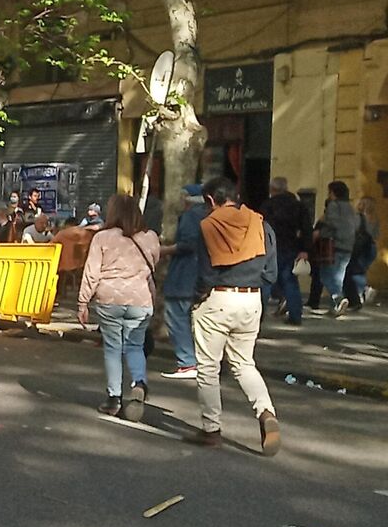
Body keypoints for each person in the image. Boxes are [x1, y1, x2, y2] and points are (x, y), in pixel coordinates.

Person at [190, 177, 280, 454]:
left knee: (208, 368)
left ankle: (211, 430)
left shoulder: (208, 226)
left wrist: (196, 301)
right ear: (236, 196)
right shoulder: (261, 224)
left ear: (210, 200)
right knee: (244, 363)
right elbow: (271, 274)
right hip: (251, 300)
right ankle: (266, 413)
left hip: (218, 298)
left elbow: (205, 275)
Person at [76, 194, 160, 418]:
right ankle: (139, 382)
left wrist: (82, 303)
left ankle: (114, 398)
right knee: (135, 345)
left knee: (113, 348)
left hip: (109, 299)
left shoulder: (102, 238)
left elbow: (91, 273)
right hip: (141, 299)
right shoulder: (150, 237)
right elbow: (154, 265)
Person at [159, 185, 206, 381]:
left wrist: (165, 250)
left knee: (176, 315)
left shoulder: (190, 216)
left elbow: (188, 243)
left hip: (184, 275)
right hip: (204, 274)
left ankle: (187, 362)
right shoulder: (209, 215)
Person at [261, 177, 307, 324]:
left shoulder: (267, 205)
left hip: (269, 247)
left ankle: (258, 316)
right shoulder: (298, 206)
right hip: (291, 247)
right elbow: (306, 229)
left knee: (265, 281)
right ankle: (295, 316)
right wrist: (304, 249)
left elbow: (261, 227)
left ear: (272, 189)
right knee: (290, 282)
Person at [313, 181, 359, 317]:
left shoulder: (334, 205)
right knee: (338, 276)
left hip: (334, 245)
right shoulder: (350, 207)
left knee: (325, 275)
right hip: (348, 246)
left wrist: (320, 232)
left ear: (333, 192)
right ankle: (336, 307)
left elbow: (332, 224)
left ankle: (338, 298)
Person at [345, 196, 377, 309]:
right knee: (360, 270)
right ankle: (363, 291)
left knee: (355, 271)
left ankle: (361, 292)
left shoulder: (358, 218)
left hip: (360, 248)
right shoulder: (373, 219)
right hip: (371, 248)